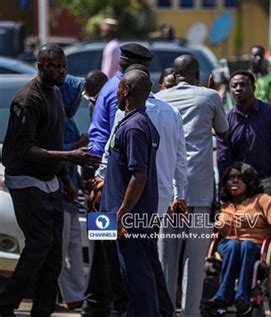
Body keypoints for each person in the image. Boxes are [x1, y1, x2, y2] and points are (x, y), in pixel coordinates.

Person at [0, 43, 101, 317]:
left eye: (64, 66)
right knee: (39, 245)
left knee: (54, 255)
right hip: (25, 180)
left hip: (52, 182)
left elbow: (51, 142)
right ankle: (5, 305)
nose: (61, 71)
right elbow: (25, 149)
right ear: (41, 67)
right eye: (55, 66)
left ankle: (42, 311)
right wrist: (70, 155)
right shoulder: (27, 98)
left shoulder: (55, 94)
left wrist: (66, 183)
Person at [155, 54, 229, 317]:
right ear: (197, 75)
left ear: (174, 76)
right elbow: (223, 131)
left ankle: (165, 311)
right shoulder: (209, 97)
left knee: (166, 262)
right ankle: (189, 313)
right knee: (194, 262)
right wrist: (211, 94)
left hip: (167, 193)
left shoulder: (159, 99)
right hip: (197, 191)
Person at [83, 43, 154, 317]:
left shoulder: (109, 89)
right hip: (110, 184)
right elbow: (114, 141)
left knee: (106, 253)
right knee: (116, 258)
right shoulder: (120, 93)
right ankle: (111, 308)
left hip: (105, 182)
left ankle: (97, 306)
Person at [100, 69, 161, 317]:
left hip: (127, 217)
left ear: (125, 89)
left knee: (137, 276)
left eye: (118, 87)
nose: (116, 91)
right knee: (125, 275)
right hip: (115, 214)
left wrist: (122, 214)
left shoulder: (135, 126)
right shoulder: (133, 121)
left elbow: (140, 175)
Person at [202, 162, 271, 315]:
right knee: (233, 245)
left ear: (249, 181)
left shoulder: (263, 200)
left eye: (239, 177)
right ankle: (224, 296)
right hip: (226, 248)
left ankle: (242, 297)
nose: (234, 181)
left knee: (246, 245)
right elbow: (213, 232)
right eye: (230, 178)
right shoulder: (223, 206)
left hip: (254, 248)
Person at [216, 70, 271, 203]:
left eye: (243, 84)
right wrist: (225, 188)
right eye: (234, 85)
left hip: (267, 186)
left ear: (254, 88)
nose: (238, 88)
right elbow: (223, 158)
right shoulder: (226, 121)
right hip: (238, 188)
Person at [58, 74, 88, 309]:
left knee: (73, 246)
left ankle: (76, 296)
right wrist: (78, 145)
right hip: (60, 190)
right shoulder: (56, 119)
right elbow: (55, 152)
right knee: (62, 246)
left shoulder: (67, 119)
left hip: (72, 191)